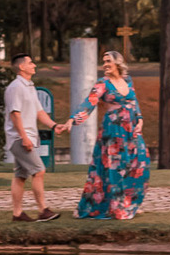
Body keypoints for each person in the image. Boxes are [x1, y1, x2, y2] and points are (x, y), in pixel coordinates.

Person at [56, 49, 150, 220]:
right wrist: (72, 120)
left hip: (131, 129)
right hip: (113, 131)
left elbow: (133, 101)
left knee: (139, 164)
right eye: (103, 61)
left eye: (108, 61)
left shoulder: (128, 80)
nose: (105, 64)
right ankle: (117, 206)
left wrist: (140, 119)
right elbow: (89, 103)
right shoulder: (103, 83)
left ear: (118, 63)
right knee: (116, 168)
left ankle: (129, 202)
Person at [4, 52, 61, 223]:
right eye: (31, 63)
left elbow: (39, 112)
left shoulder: (29, 87)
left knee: (20, 176)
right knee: (39, 170)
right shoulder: (15, 87)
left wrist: (54, 126)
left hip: (25, 137)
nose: (34, 65)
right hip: (19, 138)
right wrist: (24, 138)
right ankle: (43, 210)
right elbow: (15, 114)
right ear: (22, 67)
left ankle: (17, 214)